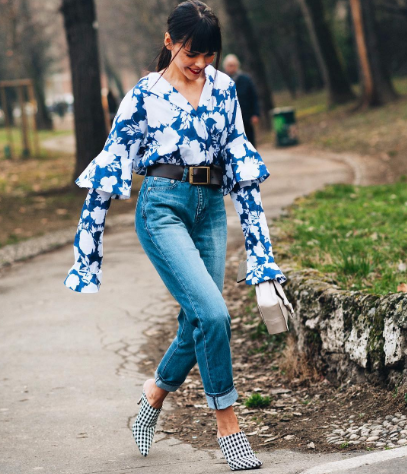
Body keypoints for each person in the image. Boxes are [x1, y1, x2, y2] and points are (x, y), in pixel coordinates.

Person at [64, 0, 287, 470]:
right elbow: (111, 167)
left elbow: (242, 173)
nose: (201, 64)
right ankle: (229, 425)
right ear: (170, 42)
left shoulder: (224, 89)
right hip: (162, 207)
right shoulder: (143, 96)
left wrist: (260, 254)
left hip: (210, 210)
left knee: (199, 319)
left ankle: (152, 396)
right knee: (214, 314)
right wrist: (88, 252)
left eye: (209, 55)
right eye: (192, 53)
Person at [223, 54, 260, 147]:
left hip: (245, 117)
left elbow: (254, 97)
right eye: (229, 65)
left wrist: (255, 114)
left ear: (237, 66)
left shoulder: (246, 79)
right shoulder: (221, 80)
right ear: (225, 67)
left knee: (249, 142)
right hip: (228, 119)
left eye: (233, 65)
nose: (231, 68)